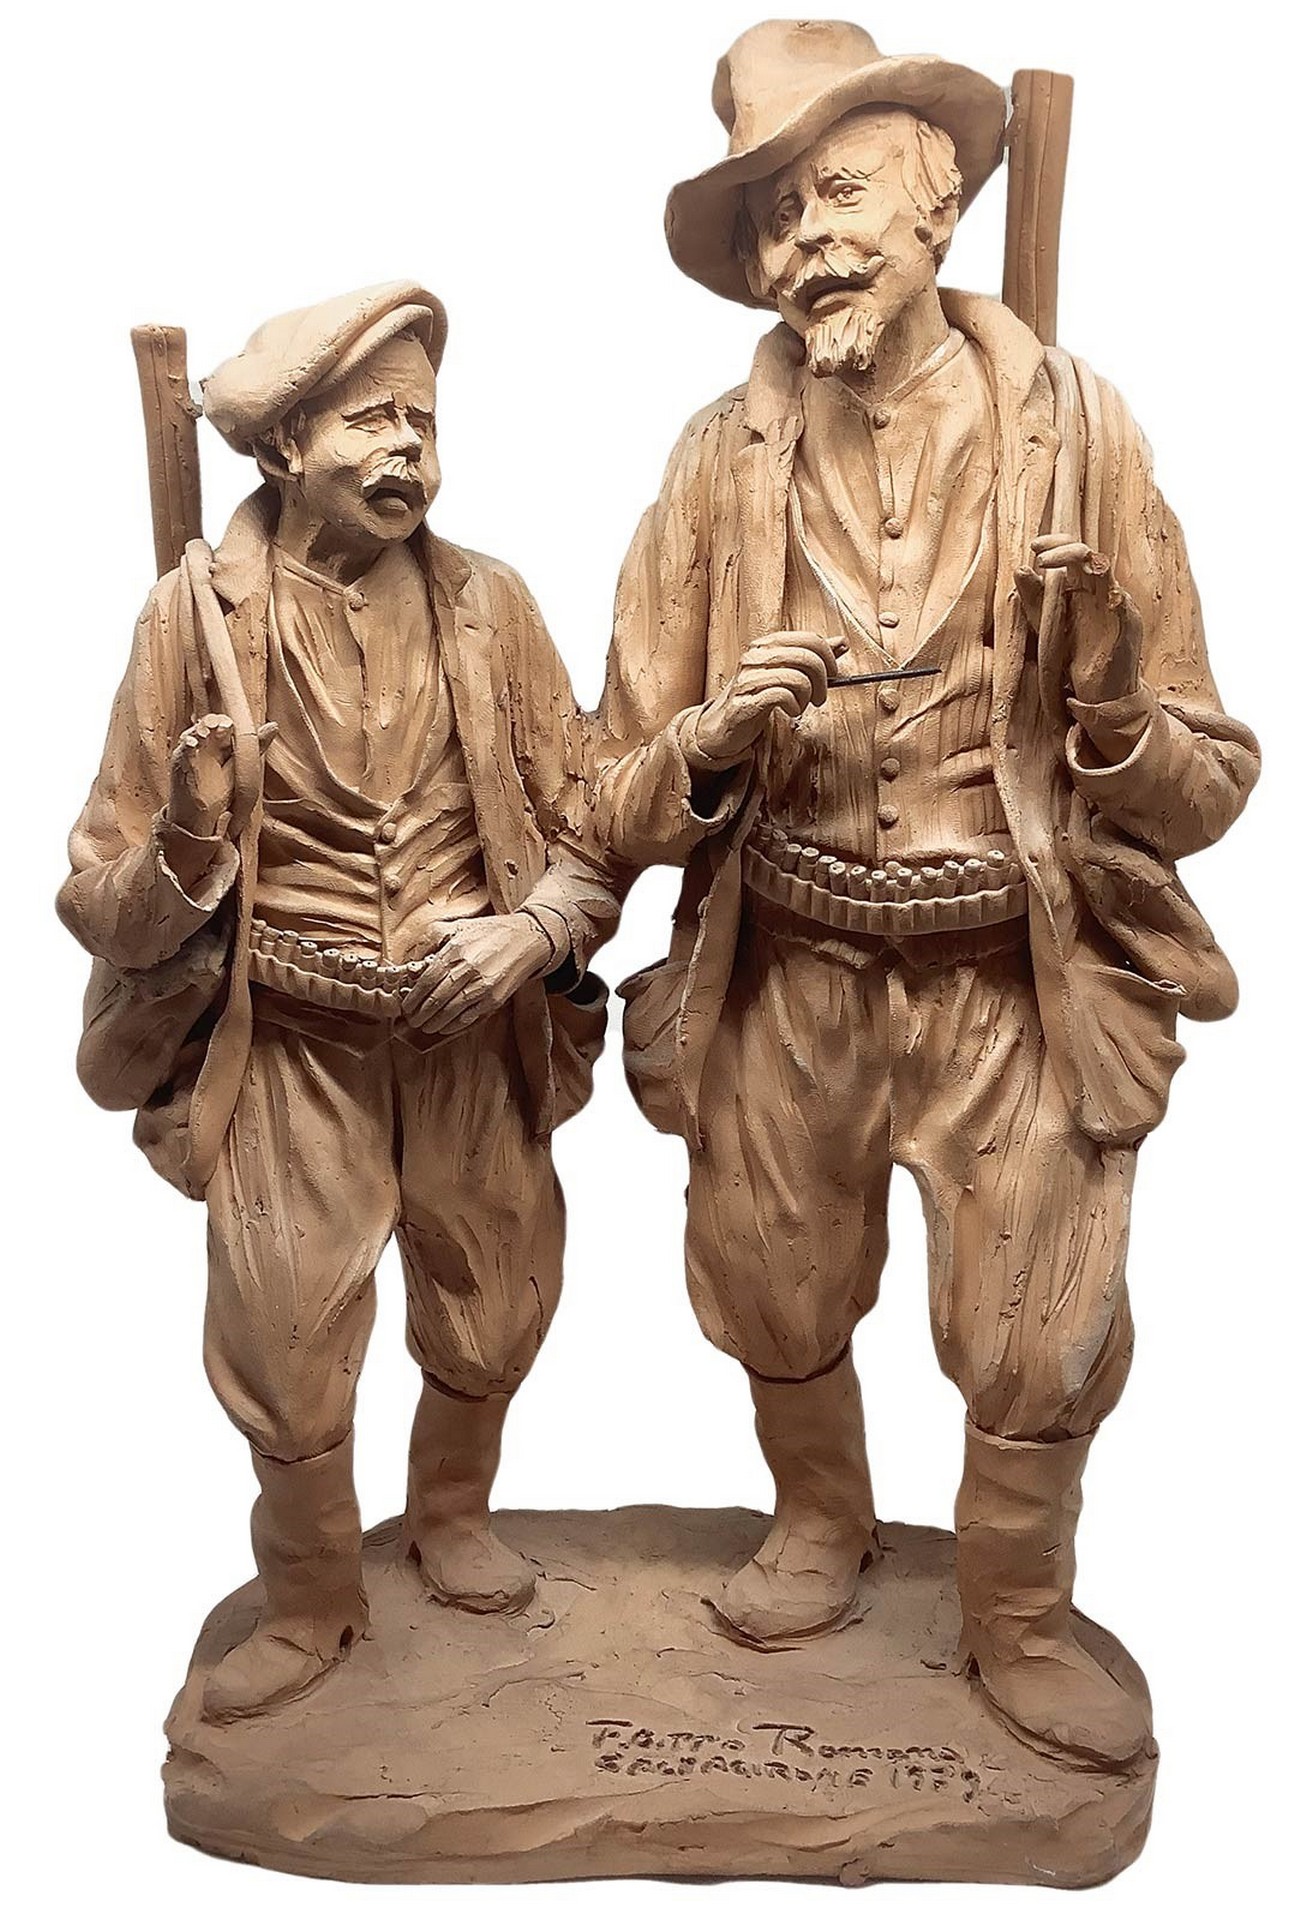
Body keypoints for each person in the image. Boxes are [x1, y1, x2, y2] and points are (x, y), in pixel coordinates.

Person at [592, 22, 1258, 1767]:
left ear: (938, 207)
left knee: (1039, 1323)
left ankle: (1016, 1613)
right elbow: (607, 780)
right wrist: (710, 742)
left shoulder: (1080, 441)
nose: (805, 243)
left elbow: (1209, 778)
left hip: (1014, 977)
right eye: (773, 218)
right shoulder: (714, 464)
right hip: (783, 964)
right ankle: (823, 1522)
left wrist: (1111, 702)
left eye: (837, 195)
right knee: (771, 1281)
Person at [60, 282, 616, 1720]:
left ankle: (451, 1514)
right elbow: (98, 887)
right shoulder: (193, 622)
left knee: (497, 1292)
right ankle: (310, 1594)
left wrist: (533, 930)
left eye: (423, 420)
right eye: (371, 420)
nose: (407, 447)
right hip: (291, 1043)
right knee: (285, 1331)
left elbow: (593, 821)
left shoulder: (493, 607)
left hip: (470, 1035)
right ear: (282, 445)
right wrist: (193, 831)